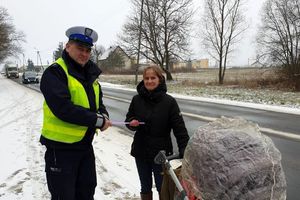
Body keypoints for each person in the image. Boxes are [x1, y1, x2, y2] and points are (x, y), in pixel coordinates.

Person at [40, 26, 112, 200]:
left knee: (86, 192)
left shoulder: (90, 74)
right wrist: (97, 121)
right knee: (63, 195)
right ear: (68, 46)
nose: (84, 54)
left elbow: (98, 104)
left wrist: (104, 115)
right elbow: (63, 108)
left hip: (85, 146)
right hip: (61, 148)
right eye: (80, 48)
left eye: (88, 50)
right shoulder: (55, 72)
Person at [125, 65, 190, 200]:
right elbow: (129, 120)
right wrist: (132, 123)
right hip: (141, 151)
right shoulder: (136, 99)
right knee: (145, 186)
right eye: (146, 78)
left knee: (163, 187)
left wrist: (185, 148)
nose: (149, 81)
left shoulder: (169, 102)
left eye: (152, 78)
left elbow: (180, 129)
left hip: (161, 154)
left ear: (160, 79)